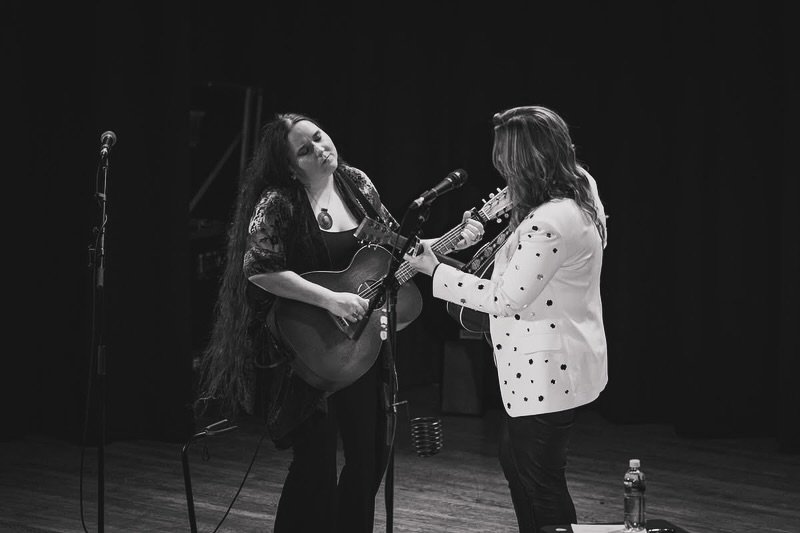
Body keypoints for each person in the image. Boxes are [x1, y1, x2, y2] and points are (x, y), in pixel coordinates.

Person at [194, 112, 484, 533]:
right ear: (291, 166)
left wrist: (456, 237)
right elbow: (258, 269)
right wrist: (330, 299)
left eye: (318, 137)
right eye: (305, 150)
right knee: (314, 467)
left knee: (368, 460)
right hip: (308, 347)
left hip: (362, 347)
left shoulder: (357, 185)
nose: (319, 148)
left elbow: (397, 249)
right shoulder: (280, 203)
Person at [405, 105, 608, 533]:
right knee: (521, 470)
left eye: (505, 159)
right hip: (551, 364)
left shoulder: (551, 220)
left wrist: (435, 271)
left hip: (548, 371)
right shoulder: (577, 186)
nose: (500, 168)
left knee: (540, 485)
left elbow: (505, 297)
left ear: (523, 161)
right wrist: (482, 233)